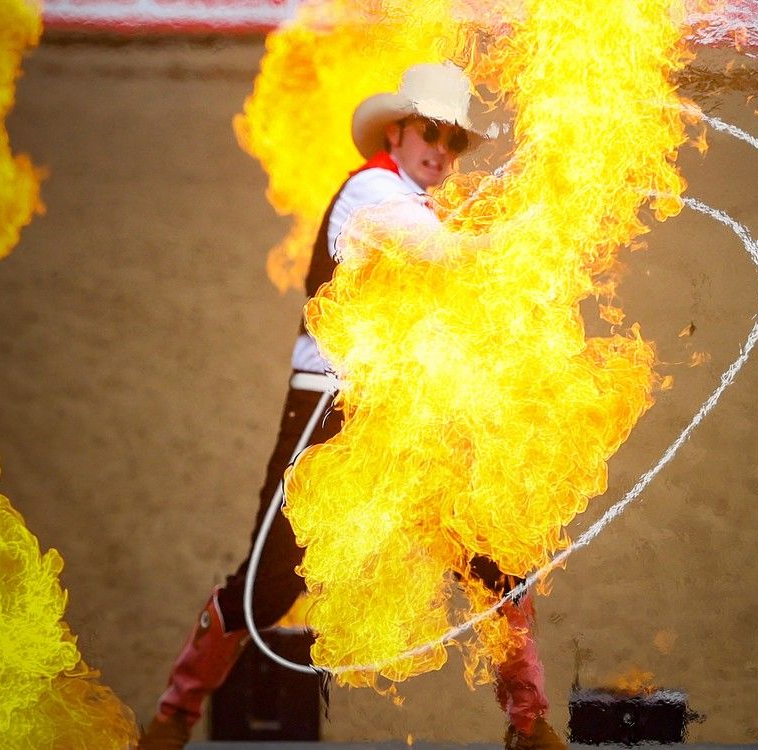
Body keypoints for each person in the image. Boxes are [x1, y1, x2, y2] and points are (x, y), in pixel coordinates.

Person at [137, 63, 566, 750]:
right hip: (330, 416)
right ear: (397, 130)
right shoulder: (372, 193)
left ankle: (530, 722)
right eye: (432, 131)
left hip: (401, 418)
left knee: (494, 567)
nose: (442, 149)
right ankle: (172, 717)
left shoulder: (414, 201)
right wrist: (537, 227)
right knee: (269, 584)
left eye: (454, 140)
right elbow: (445, 257)